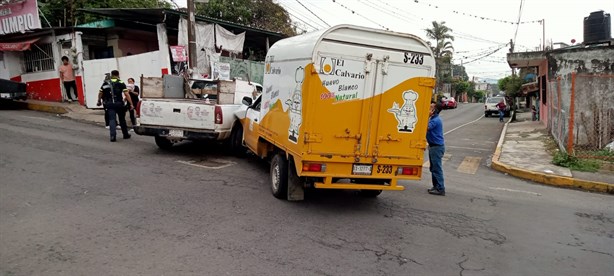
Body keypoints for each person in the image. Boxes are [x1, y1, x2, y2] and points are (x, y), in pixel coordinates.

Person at [97, 70, 134, 142]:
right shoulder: (120, 82)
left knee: (112, 119)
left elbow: (100, 93)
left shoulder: (105, 83)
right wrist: (131, 104)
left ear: (111, 75)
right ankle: (125, 134)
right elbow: (126, 94)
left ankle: (113, 136)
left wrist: (99, 101)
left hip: (109, 104)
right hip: (119, 103)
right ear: (118, 75)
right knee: (122, 119)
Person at [427, 101, 445, 196]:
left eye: (431, 108)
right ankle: (436, 186)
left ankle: (440, 188)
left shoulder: (435, 120)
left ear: (435, 110)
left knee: (436, 168)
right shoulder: (433, 119)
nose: (429, 109)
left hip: (437, 147)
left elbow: (425, 128)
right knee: (433, 168)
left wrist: (426, 116)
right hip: (433, 146)